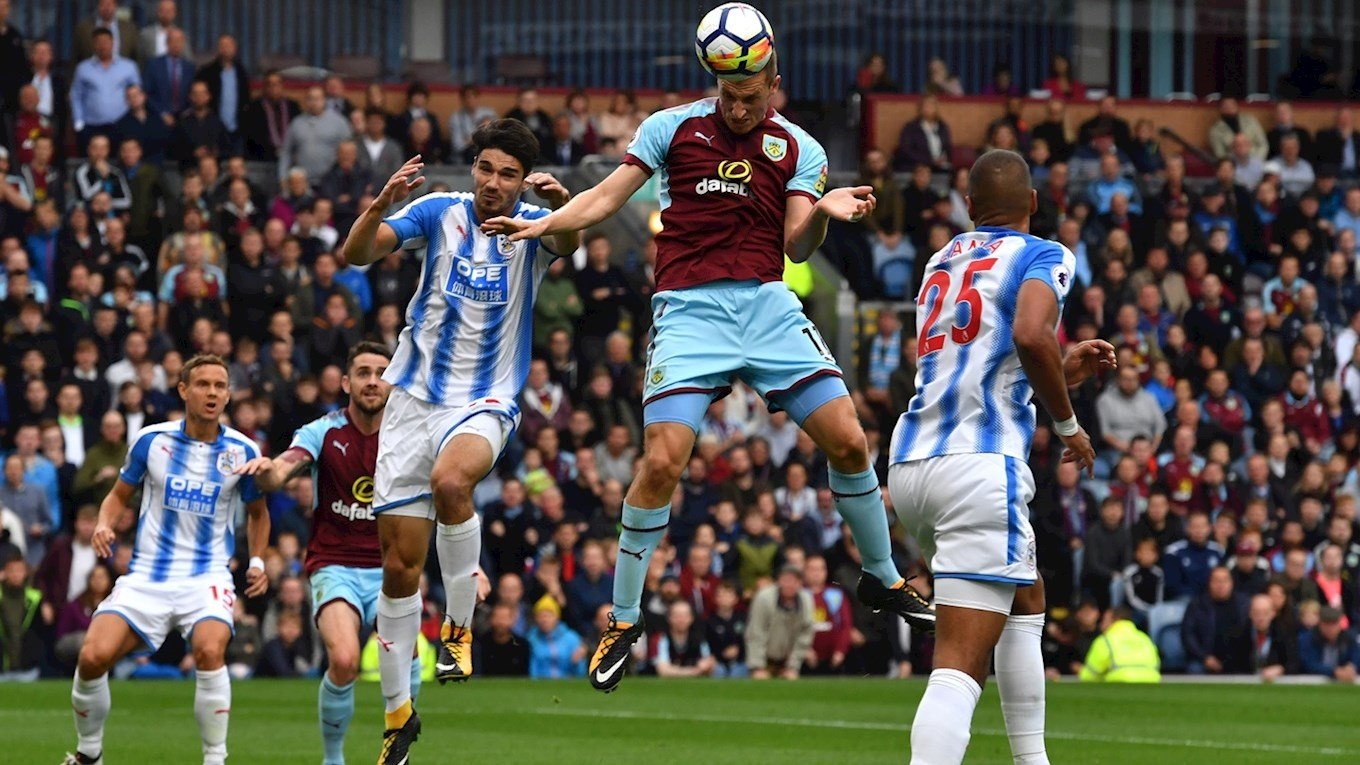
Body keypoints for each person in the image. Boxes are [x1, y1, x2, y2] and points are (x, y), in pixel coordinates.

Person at [483, 46, 937, 696]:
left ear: (774, 84)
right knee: (663, 460)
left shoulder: (799, 148)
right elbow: (609, 196)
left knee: (850, 438)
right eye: (729, 92)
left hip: (766, 305)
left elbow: (796, 242)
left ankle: (882, 575)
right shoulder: (671, 129)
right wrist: (548, 224)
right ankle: (624, 618)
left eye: (752, 93)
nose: (740, 105)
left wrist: (826, 216)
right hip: (689, 311)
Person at [339, 120, 579, 764]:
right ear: (473, 167)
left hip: (486, 397)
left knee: (453, 483)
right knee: (397, 570)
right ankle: (397, 716)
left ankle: (458, 627)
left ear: (523, 179)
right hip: (412, 400)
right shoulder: (438, 211)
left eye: (507, 174)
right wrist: (379, 205)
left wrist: (559, 210)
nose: (493, 184)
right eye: (485, 168)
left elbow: (575, 240)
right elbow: (356, 254)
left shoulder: (534, 225)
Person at [887, 149, 1115, 765]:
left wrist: (1061, 374)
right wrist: (1069, 426)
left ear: (968, 207)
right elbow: (1031, 334)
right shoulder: (1045, 254)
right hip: (978, 464)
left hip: (912, 462)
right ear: (1034, 204)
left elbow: (981, 361)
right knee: (961, 661)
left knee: (1027, 592)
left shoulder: (943, 258)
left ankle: (1032, 760)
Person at [62, 355, 269, 765]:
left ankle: (215, 758)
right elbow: (118, 495)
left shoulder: (243, 449)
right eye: (203, 384)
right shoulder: (152, 441)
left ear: (228, 394)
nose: (212, 393)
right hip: (147, 578)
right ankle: (89, 755)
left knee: (211, 651)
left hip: (207, 576)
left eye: (220, 386)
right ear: (183, 390)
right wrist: (104, 523)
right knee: (91, 657)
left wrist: (258, 561)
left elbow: (259, 513)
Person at [234, 343, 420, 765]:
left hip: (394, 567)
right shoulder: (324, 431)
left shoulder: (410, 434)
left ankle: (399, 749)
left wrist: (471, 571)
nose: (373, 381)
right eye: (363, 372)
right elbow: (287, 464)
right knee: (343, 659)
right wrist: (270, 471)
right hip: (335, 565)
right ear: (346, 383)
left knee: (406, 659)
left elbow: (445, 498)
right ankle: (333, 758)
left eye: (381, 372)